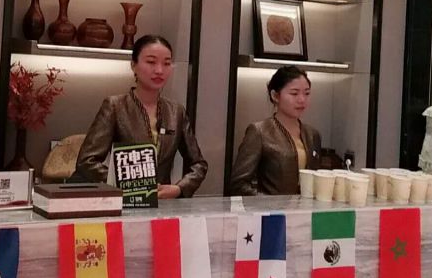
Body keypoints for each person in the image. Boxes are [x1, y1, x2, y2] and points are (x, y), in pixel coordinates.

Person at [76, 35, 208, 198]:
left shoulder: (176, 111)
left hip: (164, 205)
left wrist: (179, 189)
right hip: (126, 203)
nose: (159, 70)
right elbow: (87, 161)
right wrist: (126, 184)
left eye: (166, 63)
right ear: (133, 65)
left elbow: (198, 164)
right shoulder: (115, 106)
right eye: (151, 62)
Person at [229, 65, 322, 195]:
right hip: (271, 207)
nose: (302, 100)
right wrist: (270, 202)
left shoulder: (312, 134)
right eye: (294, 93)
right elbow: (238, 184)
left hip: (305, 207)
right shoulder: (259, 131)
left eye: (307, 93)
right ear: (275, 96)